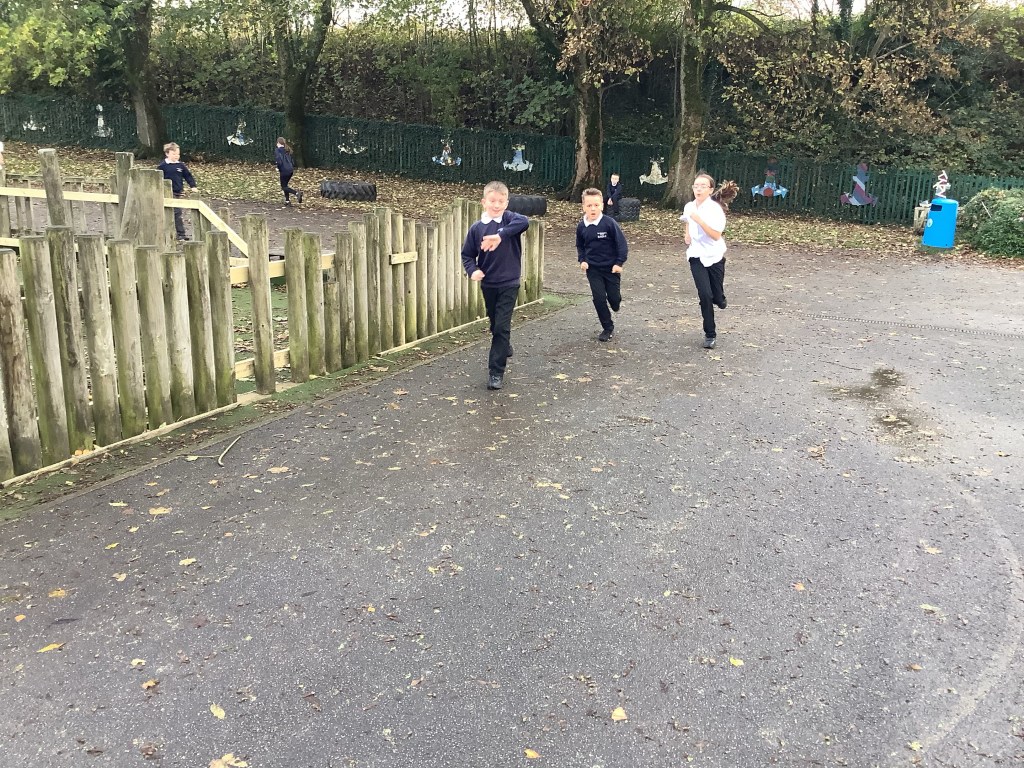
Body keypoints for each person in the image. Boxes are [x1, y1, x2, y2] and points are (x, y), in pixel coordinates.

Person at [461, 181, 530, 391]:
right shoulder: (477, 228)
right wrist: (473, 270)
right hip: (489, 283)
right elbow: (467, 255)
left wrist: (500, 235)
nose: (497, 205)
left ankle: (496, 372)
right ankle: (504, 343)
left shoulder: (510, 220)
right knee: (495, 323)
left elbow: (524, 221)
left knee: (502, 326)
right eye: (492, 201)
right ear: (484, 202)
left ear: (506, 203)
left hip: (510, 282)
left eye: (501, 201)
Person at [680, 173, 738, 349]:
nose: (698, 189)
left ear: (710, 190)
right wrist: (687, 233)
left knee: (716, 297)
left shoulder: (715, 210)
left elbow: (715, 235)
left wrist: (700, 221)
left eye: (703, 186)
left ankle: (720, 298)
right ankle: (710, 334)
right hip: (696, 255)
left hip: (714, 256)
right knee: (705, 295)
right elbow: (687, 220)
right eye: (696, 186)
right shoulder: (689, 206)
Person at [577, 187, 628, 342]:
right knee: (599, 298)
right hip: (593, 269)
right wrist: (582, 260)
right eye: (589, 205)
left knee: (614, 298)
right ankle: (607, 327)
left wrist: (619, 262)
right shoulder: (582, 226)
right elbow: (580, 245)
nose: (593, 209)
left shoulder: (609, 223)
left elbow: (621, 244)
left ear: (602, 206)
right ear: (583, 207)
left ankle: (616, 301)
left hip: (611, 268)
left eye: (596, 205)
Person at [157, 142, 199, 242]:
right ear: (167, 154)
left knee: (175, 213)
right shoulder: (162, 166)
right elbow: (157, 179)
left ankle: (175, 233)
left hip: (177, 192)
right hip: (166, 192)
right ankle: (181, 234)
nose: (176, 156)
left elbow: (188, 176)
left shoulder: (180, 165)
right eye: (174, 154)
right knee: (176, 212)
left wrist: (193, 186)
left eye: (178, 154)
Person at [275, 137, 303, 205]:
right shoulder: (287, 149)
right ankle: (287, 201)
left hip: (284, 170)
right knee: (285, 185)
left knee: (283, 187)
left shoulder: (277, 150)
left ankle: (296, 193)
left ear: (278, 143)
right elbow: (292, 161)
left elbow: (279, 160)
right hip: (290, 170)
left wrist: (278, 168)